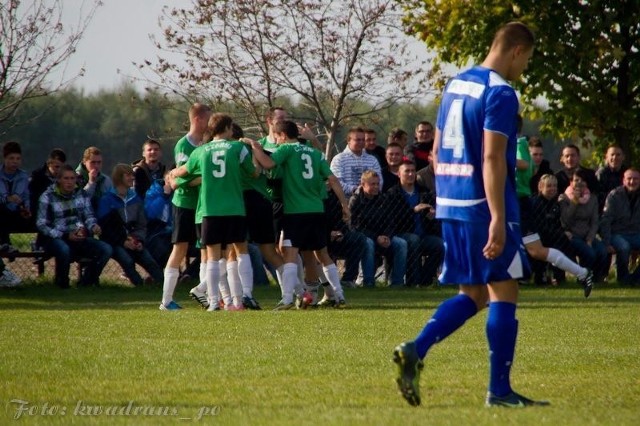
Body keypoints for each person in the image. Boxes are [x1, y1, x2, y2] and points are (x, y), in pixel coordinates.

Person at [393, 22, 550, 408]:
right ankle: (499, 391)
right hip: (485, 206)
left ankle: (416, 348)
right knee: (505, 289)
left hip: (453, 204)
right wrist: (498, 216)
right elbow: (493, 156)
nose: (524, 69)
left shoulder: (456, 84)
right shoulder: (500, 92)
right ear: (516, 51)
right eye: (526, 61)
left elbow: (438, 152)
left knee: (474, 293)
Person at [250, 120, 351, 309]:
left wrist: (255, 147)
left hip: (295, 211)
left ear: (283, 136)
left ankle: (287, 298)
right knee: (323, 253)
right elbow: (332, 179)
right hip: (317, 210)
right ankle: (339, 295)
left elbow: (268, 163)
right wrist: (345, 205)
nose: (277, 142)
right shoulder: (315, 154)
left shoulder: (287, 149)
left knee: (290, 252)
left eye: (277, 138)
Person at [170, 113, 256, 312]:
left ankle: (214, 303)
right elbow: (252, 172)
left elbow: (185, 171)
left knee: (213, 256)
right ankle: (239, 300)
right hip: (234, 208)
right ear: (227, 128)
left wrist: (173, 173)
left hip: (210, 210)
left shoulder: (201, 151)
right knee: (240, 252)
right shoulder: (238, 147)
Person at [160, 103, 211, 311]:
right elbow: (178, 179)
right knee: (179, 248)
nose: (210, 124)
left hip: (202, 205)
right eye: (208, 119)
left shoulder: (206, 143)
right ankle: (166, 301)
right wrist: (205, 178)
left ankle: (206, 296)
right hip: (184, 204)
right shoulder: (184, 145)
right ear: (198, 119)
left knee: (206, 249)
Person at [36, 165, 112, 289]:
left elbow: (89, 216)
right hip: (55, 238)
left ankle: (86, 282)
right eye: (66, 178)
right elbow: (41, 224)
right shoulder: (47, 196)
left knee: (106, 249)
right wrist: (64, 235)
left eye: (72, 178)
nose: (70, 182)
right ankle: (62, 284)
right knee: (63, 249)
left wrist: (93, 226)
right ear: (58, 180)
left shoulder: (81, 194)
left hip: (78, 236)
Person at [97, 164, 164, 286]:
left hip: (134, 240)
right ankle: (140, 287)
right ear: (118, 177)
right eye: (128, 175)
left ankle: (164, 286)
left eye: (132, 175)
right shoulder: (107, 200)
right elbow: (105, 229)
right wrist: (123, 241)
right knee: (127, 260)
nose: (132, 178)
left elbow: (141, 224)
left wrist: (139, 240)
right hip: (115, 242)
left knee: (149, 261)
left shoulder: (136, 199)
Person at [385, 160, 443, 287]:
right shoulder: (393, 193)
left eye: (413, 171)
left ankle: (424, 280)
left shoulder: (423, 192)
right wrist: (413, 210)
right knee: (414, 240)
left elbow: (430, 214)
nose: (411, 174)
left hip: (423, 234)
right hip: (401, 233)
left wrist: (431, 214)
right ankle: (413, 281)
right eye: (407, 171)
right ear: (399, 174)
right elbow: (393, 217)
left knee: (440, 245)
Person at [349, 170, 407, 287]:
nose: (376, 187)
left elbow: (391, 222)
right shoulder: (355, 200)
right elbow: (354, 226)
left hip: (384, 236)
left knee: (401, 244)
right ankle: (369, 282)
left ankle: (397, 283)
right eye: (372, 184)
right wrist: (376, 238)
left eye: (377, 183)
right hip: (365, 237)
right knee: (369, 244)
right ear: (363, 184)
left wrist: (387, 236)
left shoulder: (383, 199)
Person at [558, 169, 609, 283]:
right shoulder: (564, 197)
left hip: (587, 234)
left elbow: (595, 221)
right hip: (572, 235)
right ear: (571, 182)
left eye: (582, 180)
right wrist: (574, 201)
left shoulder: (592, 198)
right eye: (576, 180)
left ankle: (597, 278)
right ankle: (583, 278)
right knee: (589, 253)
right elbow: (566, 220)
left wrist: (590, 238)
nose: (579, 183)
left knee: (602, 251)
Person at [530, 174, 574, 286]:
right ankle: (543, 276)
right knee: (559, 241)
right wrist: (561, 234)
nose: (552, 189)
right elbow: (539, 226)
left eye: (554, 186)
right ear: (540, 187)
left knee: (564, 240)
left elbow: (558, 223)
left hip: (554, 237)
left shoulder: (555, 204)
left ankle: (559, 277)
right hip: (538, 239)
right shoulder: (535, 203)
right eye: (549, 186)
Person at [600, 167, 640, 284]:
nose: (632, 182)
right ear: (623, 180)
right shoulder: (614, 195)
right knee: (624, 247)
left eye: (636, 179)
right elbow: (605, 220)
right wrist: (607, 242)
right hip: (617, 234)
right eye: (629, 179)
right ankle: (622, 278)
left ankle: (635, 278)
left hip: (636, 233)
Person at [330, 127, 383, 197]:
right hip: (346, 202)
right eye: (358, 140)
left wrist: (367, 190)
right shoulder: (339, 159)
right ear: (349, 140)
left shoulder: (372, 160)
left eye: (363, 140)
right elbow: (336, 182)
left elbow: (380, 181)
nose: (361, 142)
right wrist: (355, 190)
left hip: (370, 202)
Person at [0, 141, 33, 249]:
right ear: (5, 159)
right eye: (11, 158)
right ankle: (5, 245)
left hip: (17, 213)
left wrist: (26, 209)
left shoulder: (23, 176)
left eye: (18, 159)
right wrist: (8, 199)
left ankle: (38, 245)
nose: (15, 162)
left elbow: (26, 196)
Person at [29, 148, 66, 217]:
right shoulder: (37, 178)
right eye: (57, 167)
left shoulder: (64, 179)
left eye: (62, 167)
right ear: (49, 163)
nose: (59, 170)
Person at [76, 146, 113, 211]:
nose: (96, 166)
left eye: (99, 162)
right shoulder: (74, 178)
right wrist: (91, 182)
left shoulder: (106, 180)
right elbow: (80, 202)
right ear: (84, 162)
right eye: (93, 162)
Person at [595, 144, 626, 212]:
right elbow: (597, 197)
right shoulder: (601, 174)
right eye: (612, 155)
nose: (615, 157)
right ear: (606, 157)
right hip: (605, 211)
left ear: (623, 157)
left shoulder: (627, 174)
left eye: (618, 155)